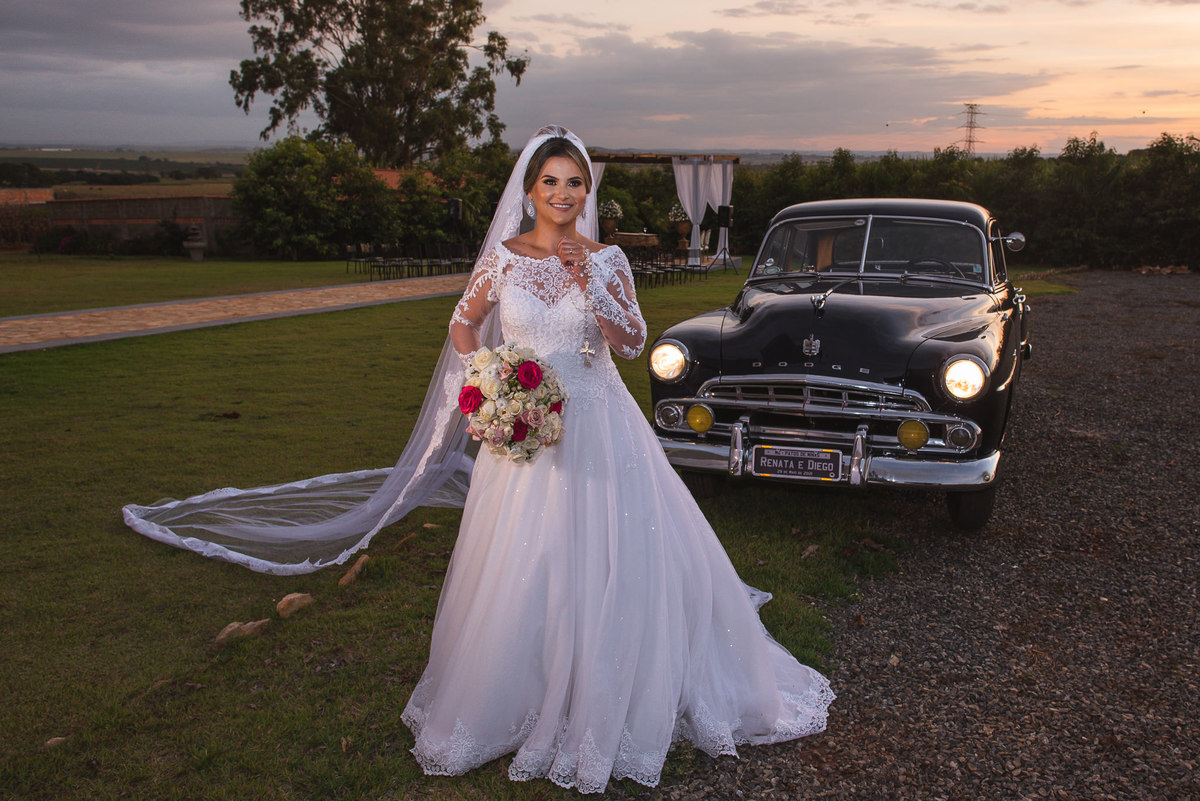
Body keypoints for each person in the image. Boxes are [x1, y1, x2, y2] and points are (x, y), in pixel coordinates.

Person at [400, 125, 833, 793]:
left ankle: (607, 685)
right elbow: (463, 322)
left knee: (603, 554)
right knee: (523, 558)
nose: (563, 193)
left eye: (575, 182)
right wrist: (487, 374)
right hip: (523, 429)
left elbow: (631, 344)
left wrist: (591, 283)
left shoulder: (607, 259)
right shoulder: (503, 260)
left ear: (587, 190)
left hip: (598, 424)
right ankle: (520, 686)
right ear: (530, 188)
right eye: (551, 181)